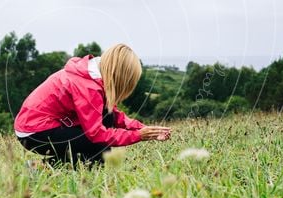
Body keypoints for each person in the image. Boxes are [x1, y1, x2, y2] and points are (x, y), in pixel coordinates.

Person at [14, 43, 171, 166]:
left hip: (43, 124)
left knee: (107, 119)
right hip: (34, 132)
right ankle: (39, 169)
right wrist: (138, 136)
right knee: (99, 149)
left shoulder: (94, 74)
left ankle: (48, 166)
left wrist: (143, 129)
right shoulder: (89, 87)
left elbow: (112, 114)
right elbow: (97, 135)